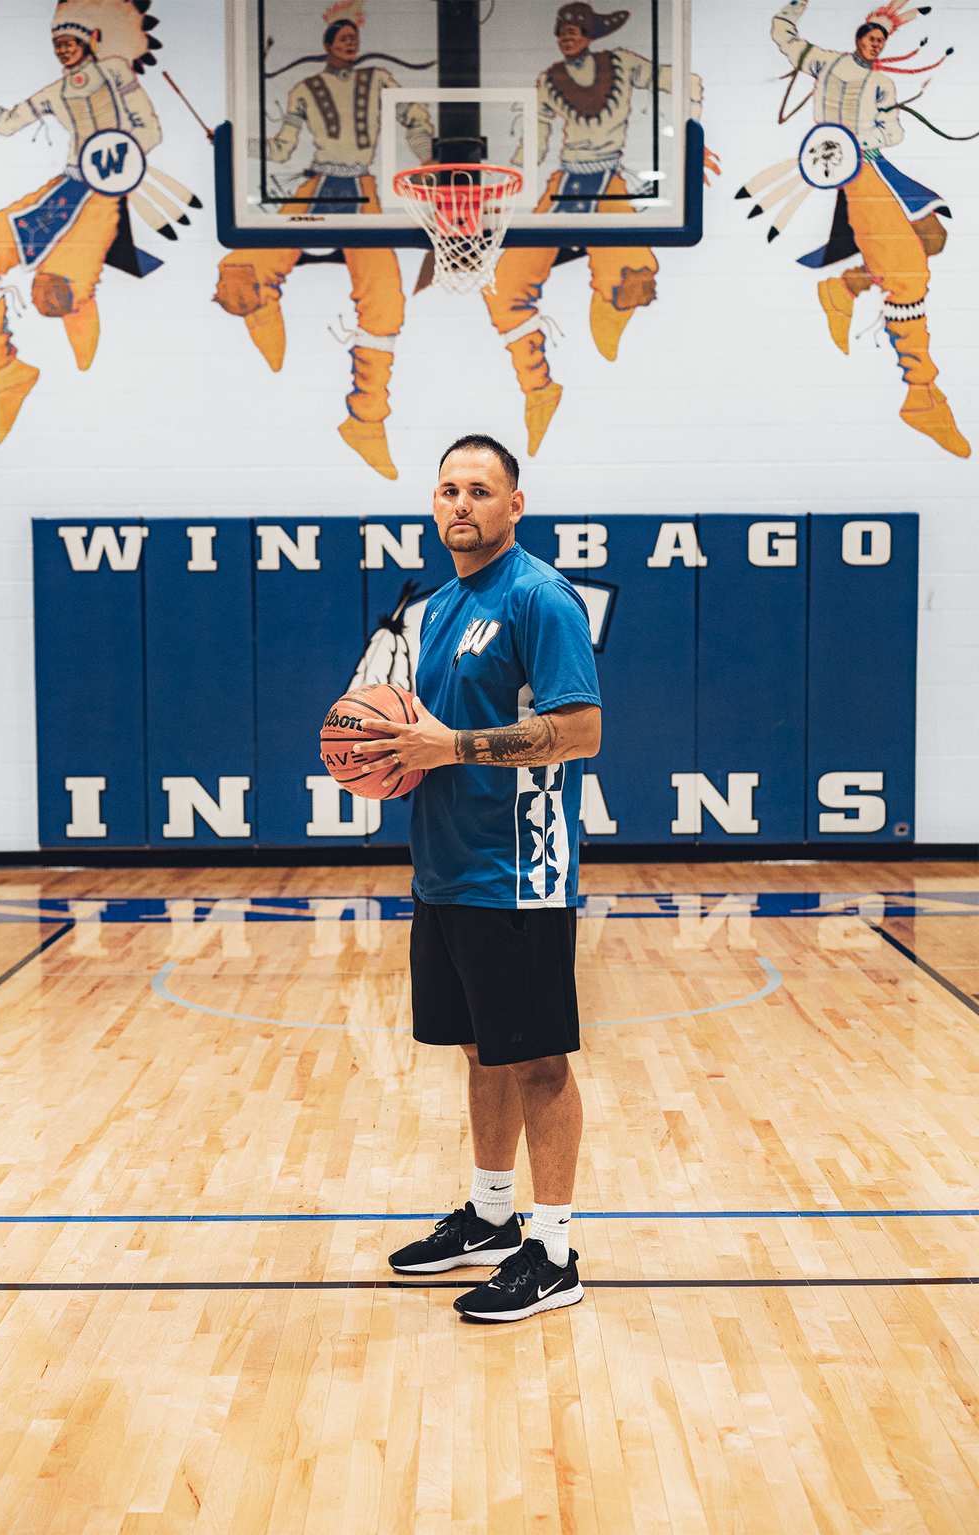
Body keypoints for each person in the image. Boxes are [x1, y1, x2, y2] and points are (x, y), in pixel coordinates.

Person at [351, 432, 602, 1322]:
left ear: (515, 505)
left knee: (537, 1061)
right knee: (477, 1047)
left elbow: (579, 731)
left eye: (481, 490)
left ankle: (556, 1251)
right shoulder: (441, 604)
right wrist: (387, 754)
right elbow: (423, 733)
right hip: (445, 867)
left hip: (518, 871)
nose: (463, 504)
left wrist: (449, 746)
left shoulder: (540, 597)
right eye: (449, 489)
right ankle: (493, 1217)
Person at [214, 0, 434, 481]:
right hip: (316, 188)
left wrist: (427, 162)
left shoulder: (380, 83)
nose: (349, 44)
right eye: (341, 38)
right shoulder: (303, 89)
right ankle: (263, 311)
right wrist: (231, 146)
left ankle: (366, 420)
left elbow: (415, 119)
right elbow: (281, 149)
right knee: (240, 270)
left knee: (385, 305)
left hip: (362, 192)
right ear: (328, 44)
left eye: (354, 38)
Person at [481, 3, 713, 457]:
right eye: (561, 31)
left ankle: (610, 309)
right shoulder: (549, 80)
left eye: (574, 30)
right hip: (566, 183)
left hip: (609, 180)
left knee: (635, 275)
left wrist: (693, 127)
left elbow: (681, 82)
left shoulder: (622, 64)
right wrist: (507, 180)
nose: (567, 36)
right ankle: (539, 388)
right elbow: (537, 140)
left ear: (589, 34)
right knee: (503, 288)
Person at [771, 0, 969, 458]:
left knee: (932, 238)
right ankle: (921, 394)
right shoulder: (825, 62)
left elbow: (893, 131)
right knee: (907, 274)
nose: (875, 43)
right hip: (849, 168)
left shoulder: (883, 83)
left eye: (882, 40)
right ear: (859, 36)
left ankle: (844, 288)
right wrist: (796, 6)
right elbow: (784, 37)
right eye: (871, 36)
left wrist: (872, 136)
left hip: (875, 161)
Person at [0, 16, 163, 447]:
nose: (64, 48)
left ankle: (88, 355)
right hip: (62, 191)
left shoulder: (117, 73)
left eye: (71, 40)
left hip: (104, 196)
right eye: (58, 42)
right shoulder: (56, 92)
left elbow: (150, 131)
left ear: (91, 40)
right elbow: (9, 122)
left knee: (55, 295)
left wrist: (120, 162)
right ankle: (6, 369)